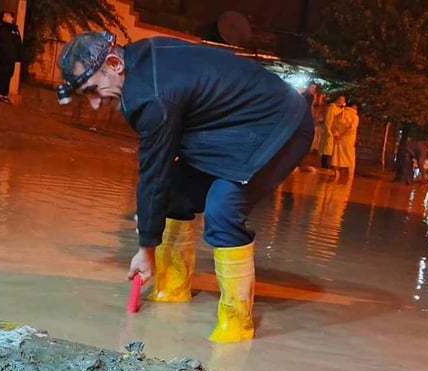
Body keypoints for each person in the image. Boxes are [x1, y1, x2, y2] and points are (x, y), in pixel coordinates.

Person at [57, 32, 313, 343]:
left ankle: (236, 322)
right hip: (229, 126)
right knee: (175, 195)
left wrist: (145, 249)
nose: (96, 103)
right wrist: (149, 222)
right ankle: (172, 288)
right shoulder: (141, 57)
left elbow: (154, 171)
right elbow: (161, 177)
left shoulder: (151, 95)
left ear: (114, 63)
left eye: (94, 89)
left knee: (223, 209)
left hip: (281, 124)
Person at [0, 11, 22, 103]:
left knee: (9, 73)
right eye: (8, 16)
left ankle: (5, 94)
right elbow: (0, 43)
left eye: (11, 16)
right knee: (3, 74)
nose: (11, 18)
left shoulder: (14, 29)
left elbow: (18, 43)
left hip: (12, 57)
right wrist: (4, 53)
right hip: (4, 57)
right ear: (4, 18)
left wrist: (18, 55)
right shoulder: (2, 29)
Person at [330, 100, 359, 175]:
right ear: (354, 107)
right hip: (349, 140)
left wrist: (336, 134)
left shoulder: (340, 114)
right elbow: (352, 128)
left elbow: (333, 126)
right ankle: (350, 175)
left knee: (337, 157)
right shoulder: (355, 117)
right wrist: (343, 134)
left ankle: (336, 173)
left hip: (338, 140)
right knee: (350, 157)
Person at [318, 96, 344, 170]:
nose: (341, 101)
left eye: (342, 100)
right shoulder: (332, 107)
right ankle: (325, 166)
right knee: (327, 149)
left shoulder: (340, 109)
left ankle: (327, 165)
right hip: (329, 131)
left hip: (334, 131)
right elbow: (329, 119)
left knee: (330, 149)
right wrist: (329, 131)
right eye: (340, 99)